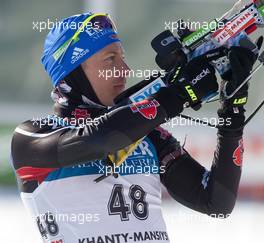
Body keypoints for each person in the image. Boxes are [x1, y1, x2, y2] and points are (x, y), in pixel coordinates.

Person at [11, 12, 259, 243]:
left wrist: (232, 115)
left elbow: (216, 202)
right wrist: (178, 93)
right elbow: (97, 142)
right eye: (110, 59)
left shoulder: (147, 135)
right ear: (74, 73)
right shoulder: (32, 136)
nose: (125, 70)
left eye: (123, 57)